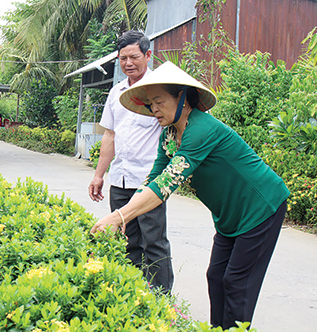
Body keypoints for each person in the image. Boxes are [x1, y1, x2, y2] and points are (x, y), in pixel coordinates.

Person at [90, 61, 290, 329]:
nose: (154, 109)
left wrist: (118, 216)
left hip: (261, 207)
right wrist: (124, 215)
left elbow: (166, 185)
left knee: (236, 283)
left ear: (182, 98)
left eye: (159, 101)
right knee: (216, 276)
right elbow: (153, 180)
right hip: (230, 217)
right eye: (150, 103)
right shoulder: (169, 136)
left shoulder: (201, 129)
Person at [88, 30, 173, 293]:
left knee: (153, 242)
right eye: (122, 58)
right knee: (127, 240)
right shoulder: (116, 93)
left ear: (148, 55)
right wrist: (99, 174)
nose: (128, 63)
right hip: (120, 178)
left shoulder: (161, 90)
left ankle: (161, 300)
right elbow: (110, 135)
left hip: (148, 182)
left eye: (134, 57)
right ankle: (134, 294)